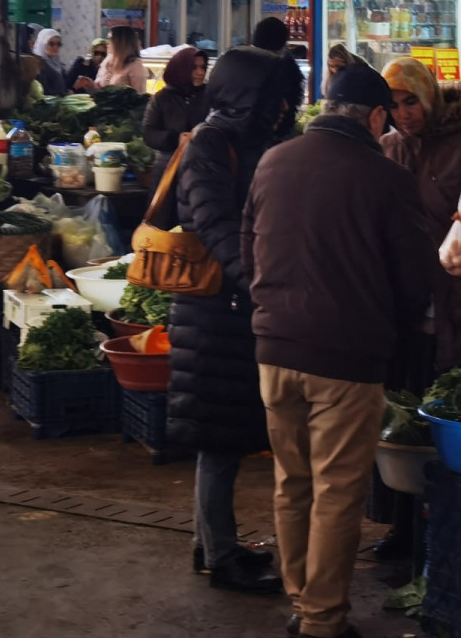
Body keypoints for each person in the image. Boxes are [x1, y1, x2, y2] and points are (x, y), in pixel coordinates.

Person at [244, 64, 435, 638]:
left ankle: (304, 602)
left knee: (292, 482)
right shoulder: (386, 180)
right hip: (345, 360)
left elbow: (247, 241)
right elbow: (413, 281)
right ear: (376, 117)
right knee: (336, 491)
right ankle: (322, 621)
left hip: (273, 349)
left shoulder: (273, 161)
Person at [374, 56, 461, 558]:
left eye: (410, 101)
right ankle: (403, 531)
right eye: (392, 104)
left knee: (451, 421)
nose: (403, 113)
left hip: (459, 300)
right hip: (404, 306)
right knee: (403, 420)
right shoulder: (386, 148)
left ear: (429, 96)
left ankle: (451, 533)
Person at [165, 46, 292, 596]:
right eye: (273, 98)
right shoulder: (211, 147)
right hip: (214, 310)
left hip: (236, 305)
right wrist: (261, 286)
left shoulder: (249, 141)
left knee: (227, 434)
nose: (284, 109)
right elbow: (216, 227)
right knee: (218, 441)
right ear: (246, 96)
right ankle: (219, 556)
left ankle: (211, 544)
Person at [143, 46, 211, 174]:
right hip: (167, 167)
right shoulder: (162, 98)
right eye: (194, 68)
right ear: (182, 70)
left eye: (203, 67)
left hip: (201, 167)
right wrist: (176, 139)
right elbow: (149, 134)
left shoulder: (210, 96)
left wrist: (201, 136)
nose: (200, 73)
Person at [89, 26, 147, 92]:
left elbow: (140, 95)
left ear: (121, 42)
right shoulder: (108, 60)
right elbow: (98, 88)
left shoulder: (135, 65)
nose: (107, 42)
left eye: (110, 39)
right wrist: (89, 83)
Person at [31, 28, 67, 96]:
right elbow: (43, 91)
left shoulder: (59, 66)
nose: (55, 47)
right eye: (51, 44)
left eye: (58, 44)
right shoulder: (37, 65)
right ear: (42, 44)